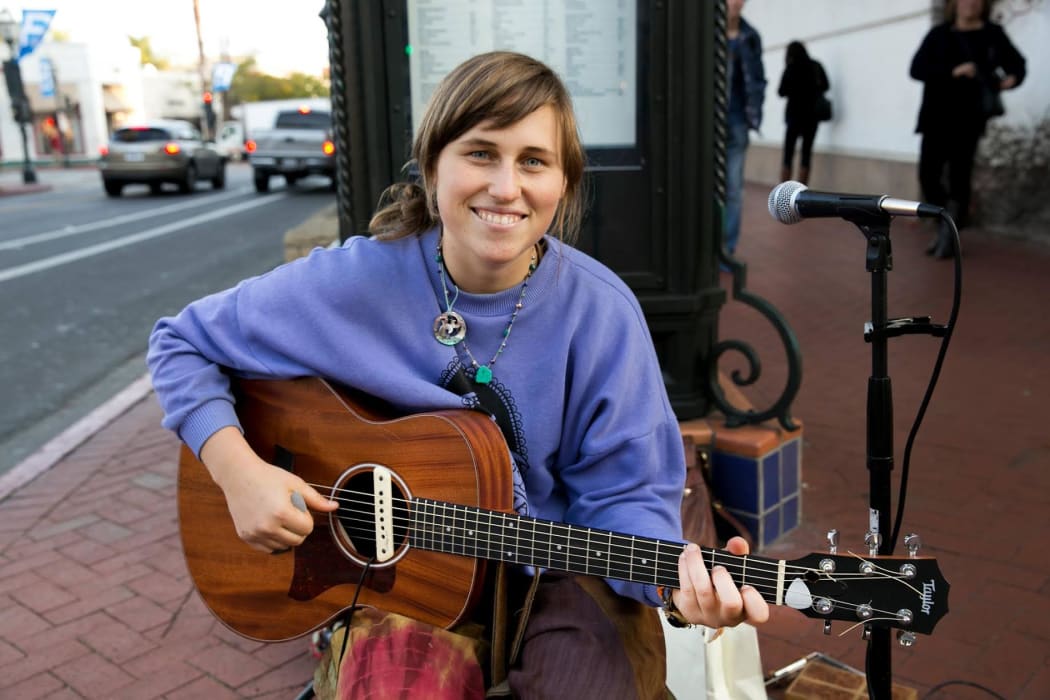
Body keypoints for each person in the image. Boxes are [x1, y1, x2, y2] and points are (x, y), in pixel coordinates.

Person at [147, 51, 769, 699]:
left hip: (558, 566)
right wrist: (237, 471)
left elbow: (627, 494)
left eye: (534, 160)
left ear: (564, 182)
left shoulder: (600, 311)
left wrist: (676, 584)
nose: (506, 187)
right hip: (405, 577)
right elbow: (181, 342)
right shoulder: (357, 280)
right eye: (479, 153)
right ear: (431, 166)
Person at [910, 0, 1025, 258]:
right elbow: (917, 69)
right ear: (955, 4)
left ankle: (949, 233)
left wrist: (1011, 80)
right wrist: (953, 71)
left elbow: (1017, 64)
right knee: (928, 174)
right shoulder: (939, 33)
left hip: (970, 119)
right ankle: (944, 224)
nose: (970, 3)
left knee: (960, 178)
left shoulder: (993, 34)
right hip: (935, 117)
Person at [724, 0, 767, 259]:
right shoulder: (710, 33)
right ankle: (705, 249)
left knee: (734, 188)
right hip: (709, 124)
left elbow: (758, 79)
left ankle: (726, 249)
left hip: (738, 121)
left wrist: (756, 111)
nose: (737, 2)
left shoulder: (750, 36)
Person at [777, 41, 829, 185]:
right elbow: (826, 85)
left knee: (788, 153)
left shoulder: (790, 68)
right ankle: (801, 189)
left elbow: (781, 91)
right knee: (806, 153)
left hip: (794, 116)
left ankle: (784, 189)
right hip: (811, 116)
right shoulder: (816, 66)